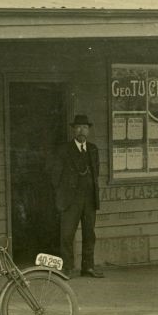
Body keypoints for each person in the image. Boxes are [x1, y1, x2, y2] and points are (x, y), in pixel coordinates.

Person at [50, 114, 104, 278]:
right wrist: (62, 197)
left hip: (89, 200)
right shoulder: (64, 150)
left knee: (89, 234)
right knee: (67, 235)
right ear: (74, 130)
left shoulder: (93, 149)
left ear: (88, 130)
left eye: (85, 128)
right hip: (70, 201)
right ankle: (67, 268)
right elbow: (55, 176)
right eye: (79, 127)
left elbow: (96, 173)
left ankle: (87, 268)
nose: (82, 131)